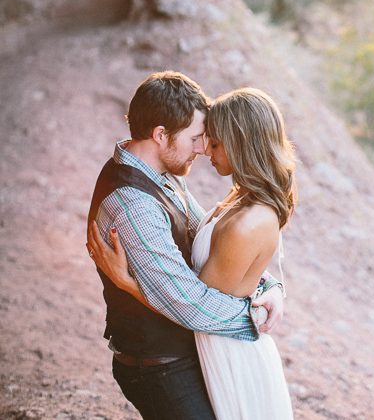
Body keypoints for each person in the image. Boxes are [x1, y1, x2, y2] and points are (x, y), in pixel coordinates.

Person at [90, 86, 296, 420]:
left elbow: (211, 238)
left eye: (210, 140)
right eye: (196, 138)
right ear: (161, 135)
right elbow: (190, 305)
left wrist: (270, 287)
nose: (202, 149)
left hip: (186, 357)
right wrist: (255, 317)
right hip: (161, 367)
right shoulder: (134, 203)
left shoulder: (162, 176)